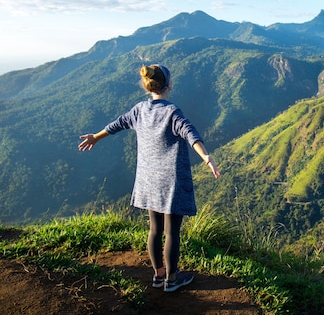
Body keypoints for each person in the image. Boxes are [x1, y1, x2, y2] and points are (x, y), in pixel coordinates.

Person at [78, 64, 220, 292]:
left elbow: (117, 125)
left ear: (147, 86)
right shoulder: (172, 112)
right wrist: (206, 157)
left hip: (148, 180)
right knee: (172, 231)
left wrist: (96, 137)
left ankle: (158, 275)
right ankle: (172, 279)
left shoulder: (139, 110)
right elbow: (190, 132)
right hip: (170, 182)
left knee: (155, 229)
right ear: (169, 85)